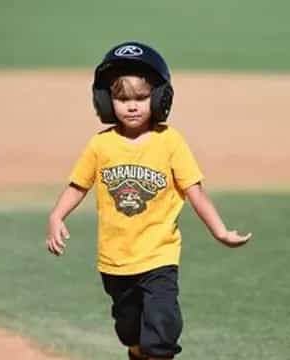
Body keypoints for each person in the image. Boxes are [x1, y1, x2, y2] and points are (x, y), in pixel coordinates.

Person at [45, 42, 252, 360]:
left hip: (159, 257)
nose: (131, 106)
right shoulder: (101, 145)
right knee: (131, 334)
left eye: (141, 98)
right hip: (114, 261)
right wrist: (56, 216)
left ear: (159, 98)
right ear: (104, 100)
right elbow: (78, 185)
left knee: (161, 333)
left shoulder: (170, 141)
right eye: (122, 98)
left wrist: (220, 231)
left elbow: (195, 191)